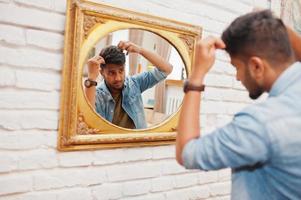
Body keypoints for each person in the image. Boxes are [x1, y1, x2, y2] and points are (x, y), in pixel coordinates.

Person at [176, 10, 301, 199]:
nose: (237, 77)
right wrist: (271, 23)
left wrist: (197, 74)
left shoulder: (260, 124)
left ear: (256, 66)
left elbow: (186, 153)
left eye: (237, 67)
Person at [84, 41, 173, 129]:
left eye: (121, 71)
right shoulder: (98, 95)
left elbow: (167, 69)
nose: (118, 78)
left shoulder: (135, 83)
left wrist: (140, 50)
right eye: (112, 73)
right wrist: (91, 78)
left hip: (139, 141)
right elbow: (88, 122)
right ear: (102, 72)